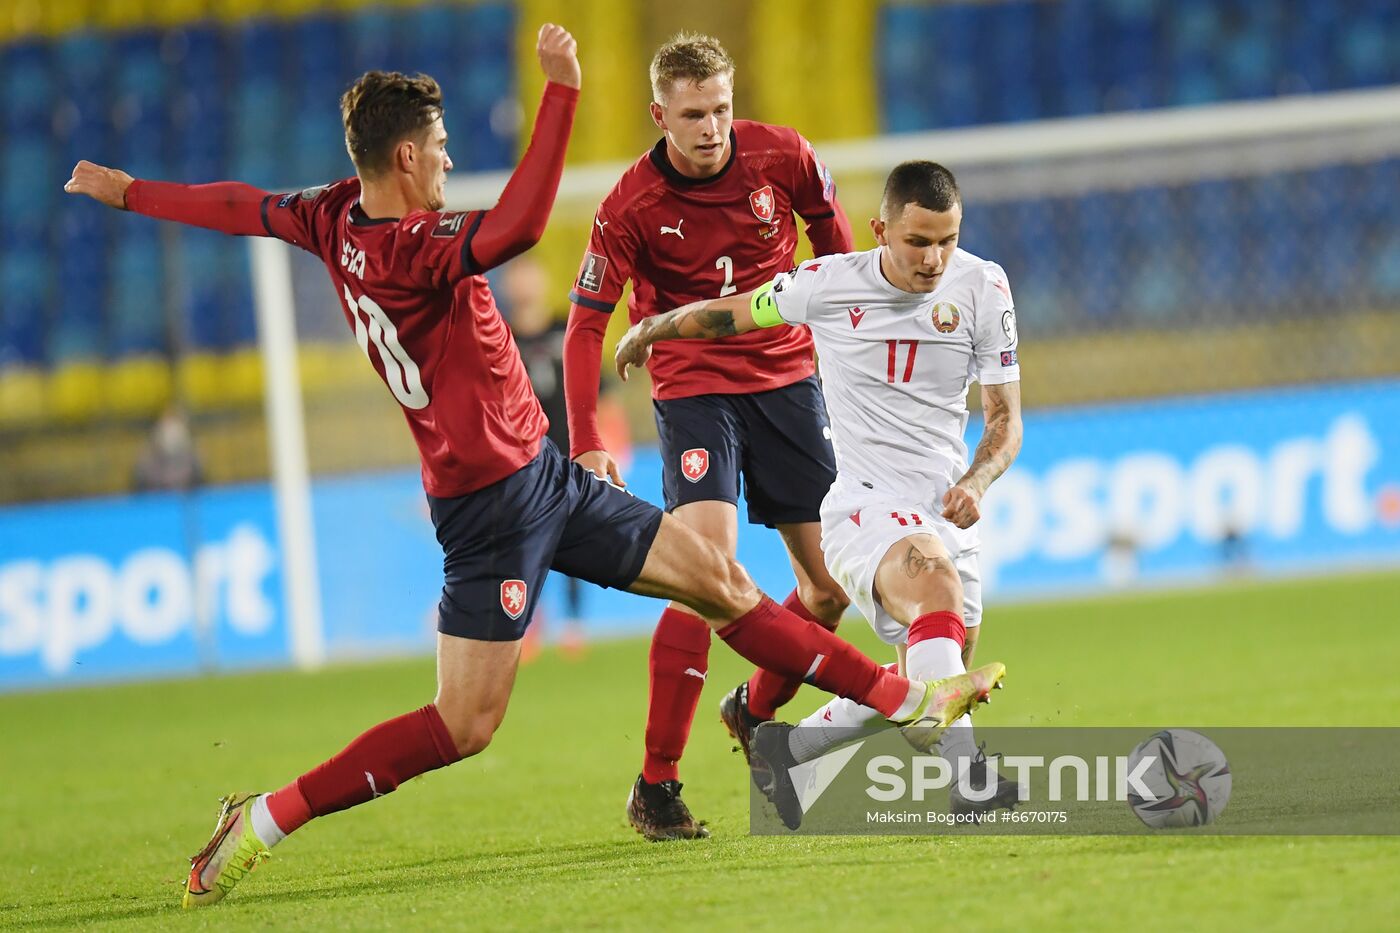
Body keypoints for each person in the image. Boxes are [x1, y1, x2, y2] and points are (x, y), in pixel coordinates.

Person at [64, 30, 1003, 907]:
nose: (444, 160)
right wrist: (560, 99)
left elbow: (239, 205)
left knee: (721, 581)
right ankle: (267, 814)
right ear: (404, 158)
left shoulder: (329, 215)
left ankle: (906, 697)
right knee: (465, 725)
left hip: (546, 474)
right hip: (488, 510)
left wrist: (131, 191)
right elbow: (514, 229)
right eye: (437, 148)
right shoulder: (407, 248)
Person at [615, 160, 1023, 829]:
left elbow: (1006, 420)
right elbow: (735, 314)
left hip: (945, 504)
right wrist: (656, 326)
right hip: (863, 503)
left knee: (929, 680)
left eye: (946, 240)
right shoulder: (832, 283)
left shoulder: (985, 286)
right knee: (936, 594)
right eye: (918, 241)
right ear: (879, 229)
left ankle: (788, 746)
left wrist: (978, 479)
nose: (933, 258)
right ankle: (969, 781)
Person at [562, 32, 857, 840]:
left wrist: (854, 352)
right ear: (660, 114)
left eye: (721, 109)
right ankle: (657, 784)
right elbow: (585, 326)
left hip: (791, 380)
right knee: (704, 570)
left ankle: (753, 708)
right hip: (694, 388)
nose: (711, 127)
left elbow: (838, 255)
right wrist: (588, 438)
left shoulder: (783, 158)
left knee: (830, 589)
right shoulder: (629, 204)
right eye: (692, 114)